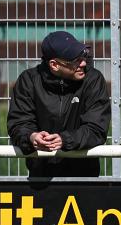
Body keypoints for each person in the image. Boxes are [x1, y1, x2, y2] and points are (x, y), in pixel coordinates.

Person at [7, 31, 110, 178]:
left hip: (85, 175)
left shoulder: (93, 80)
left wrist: (64, 140)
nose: (83, 63)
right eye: (75, 60)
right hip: (41, 176)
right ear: (54, 65)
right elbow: (18, 124)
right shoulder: (28, 81)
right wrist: (32, 137)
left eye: (83, 56)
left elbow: (97, 129)